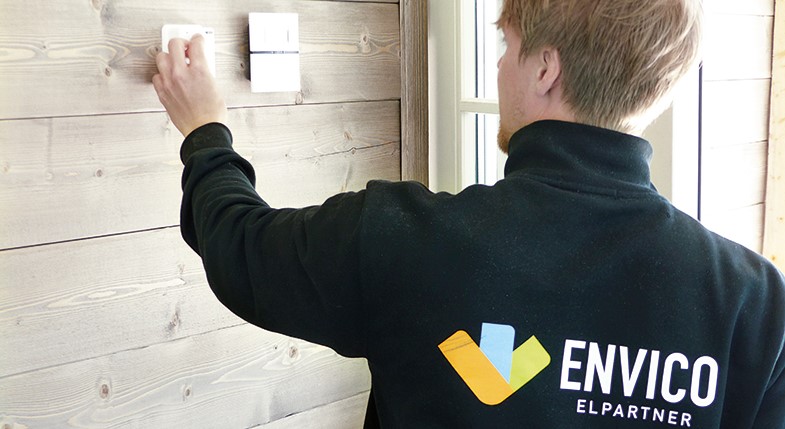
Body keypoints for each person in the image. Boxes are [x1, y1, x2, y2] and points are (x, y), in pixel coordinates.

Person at [153, 0, 785, 427]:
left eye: (507, 44)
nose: (500, 64)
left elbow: (241, 248)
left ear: (546, 68)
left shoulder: (408, 240)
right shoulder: (755, 304)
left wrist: (205, 132)